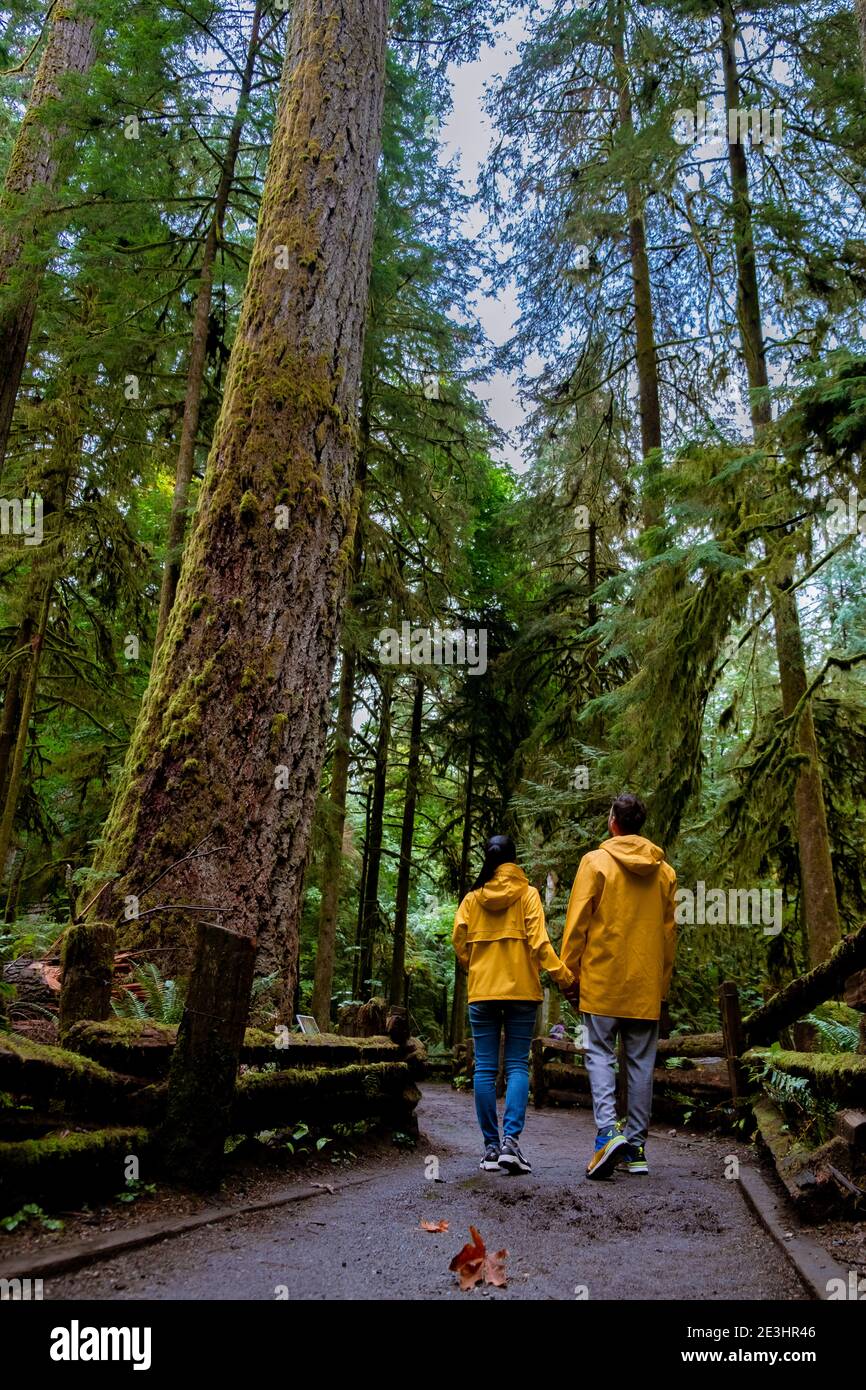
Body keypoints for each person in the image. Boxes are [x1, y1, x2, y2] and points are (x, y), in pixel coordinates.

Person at [561, 793, 677, 1180]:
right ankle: (636, 1147)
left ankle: (608, 1132)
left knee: (598, 1054)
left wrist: (568, 973)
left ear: (613, 821)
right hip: (644, 984)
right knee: (641, 1064)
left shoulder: (595, 863)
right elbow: (668, 936)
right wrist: (661, 987)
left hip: (602, 979)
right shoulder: (664, 873)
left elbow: (578, 922)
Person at [453, 834, 575, 1175]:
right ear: (513, 859)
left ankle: (490, 1149)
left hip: (482, 992)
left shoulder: (472, 899)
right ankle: (511, 1144)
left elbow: (459, 944)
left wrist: (475, 966)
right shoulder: (528, 895)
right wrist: (564, 977)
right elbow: (539, 943)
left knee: (485, 1069)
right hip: (522, 991)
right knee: (518, 1066)